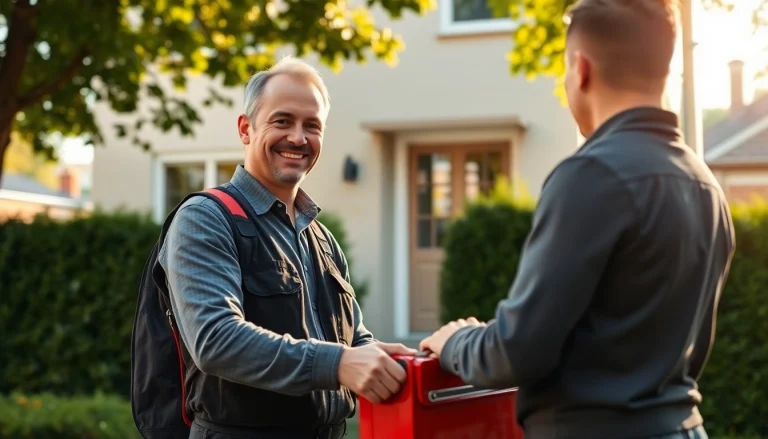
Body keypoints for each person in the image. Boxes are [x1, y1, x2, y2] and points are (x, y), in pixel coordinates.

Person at [420, 1, 736, 438]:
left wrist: (455, 342)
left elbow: (517, 353)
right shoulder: (705, 185)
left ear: (580, 68)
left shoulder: (591, 175)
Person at [159, 57, 415, 439]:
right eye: (282, 121)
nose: (298, 138)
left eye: (312, 126)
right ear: (246, 129)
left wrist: (384, 356)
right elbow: (215, 340)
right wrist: (340, 363)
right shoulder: (206, 218)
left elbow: (350, 339)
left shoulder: (321, 238)